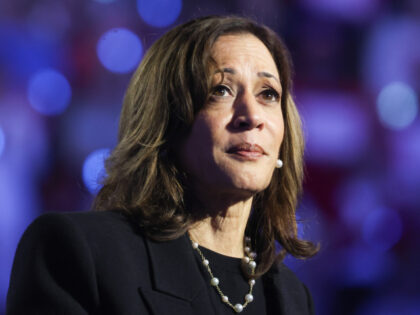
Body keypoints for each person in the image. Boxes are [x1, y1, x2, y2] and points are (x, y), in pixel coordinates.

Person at [6, 15, 319, 314]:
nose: (251, 116)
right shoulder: (78, 253)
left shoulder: (292, 297)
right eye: (220, 90)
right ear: (167, 121)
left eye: (268, 94)